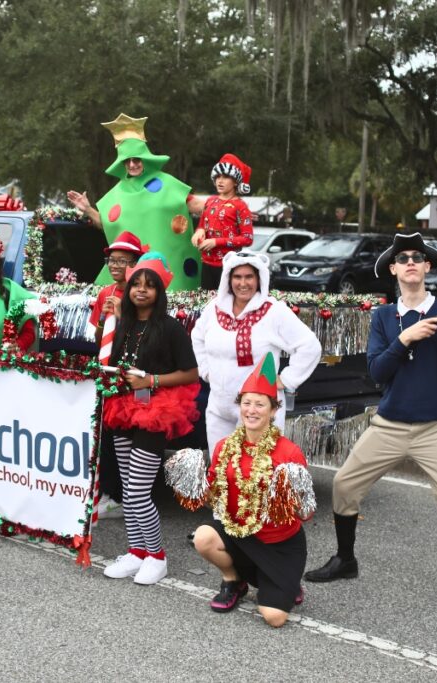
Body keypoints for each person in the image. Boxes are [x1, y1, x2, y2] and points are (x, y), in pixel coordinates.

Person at [303, 232, 437, 619]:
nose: (409, 262)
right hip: (389, 424)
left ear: (426, 267)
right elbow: (376, 371)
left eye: (417, 257)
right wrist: (403, 338)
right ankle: (345, 559)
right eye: (402, 258)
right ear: (392, 269)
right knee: (344, 485)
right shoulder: (384, 317)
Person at [187, 353, 315, 627]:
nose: (252, 410)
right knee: (203, 537)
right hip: (238, 532)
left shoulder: (289, 453)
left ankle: (286, 582)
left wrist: (288, 499)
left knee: (275, 618)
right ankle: (234, 580)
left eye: (260, 404)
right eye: (246, 403)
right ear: (239, 407)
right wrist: (195, 488)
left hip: (278, 542)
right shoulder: (224, 447)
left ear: (273, 410)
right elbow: (214, 497)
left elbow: (306, 511)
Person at [101, 253, 200, 585]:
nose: (141, 290)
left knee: (138, 491)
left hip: (156, 412)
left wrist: (151, 381)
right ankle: (136, 551)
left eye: (150, 285)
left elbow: (191, 373)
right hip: (123, 408)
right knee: (128, 486)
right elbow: (108, 360)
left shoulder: (171, 328)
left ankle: (157, 556)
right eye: (136, 284)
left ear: (160, 292)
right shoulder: (123, 324)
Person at [191, 251, 321, 449]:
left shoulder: (274, 311)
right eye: (237, 277)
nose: (243, 283)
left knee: (256, 472)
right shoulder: (213, 309)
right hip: (219, 406)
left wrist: (286, 380)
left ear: (259, 279)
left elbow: (309, 346)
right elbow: (197, 336)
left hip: (258, 409)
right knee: (220, 469)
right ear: (228, 279)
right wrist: (206, 370)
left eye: (249, 276)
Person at [66, 113, 205, 291]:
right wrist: (87, 209)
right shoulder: (116, 193)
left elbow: (194, 204)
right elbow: (107, 223)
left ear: (145, 159)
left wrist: (227, 206)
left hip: (171, 268)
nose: (132, 164)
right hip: (132, 276)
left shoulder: (167, 183)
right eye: (127, 161)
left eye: (136, 159)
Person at [88, 230, 147, 520]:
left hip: (135, 374)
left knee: (134, 434)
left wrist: (123, 316)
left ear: (135, 264)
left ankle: (131, 496)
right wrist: (103, 321)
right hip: (109, 370)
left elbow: (147, 336)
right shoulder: (105, 293)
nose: (115, 266)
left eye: (122, 261)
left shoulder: (142, 293)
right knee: (108, 434)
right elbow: (98, 337)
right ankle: (111, 492)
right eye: (112, 260)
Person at [191, 154, 255, 290]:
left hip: (229, 266)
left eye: (225, 177)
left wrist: (216, 242)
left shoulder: (241, 206)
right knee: (207, 303)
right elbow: (202, 225)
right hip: (206, 263)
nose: (220, 181)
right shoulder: (210, 201)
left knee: (226, 304)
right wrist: (199, 232)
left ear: (236, 181)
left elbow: (247, 238)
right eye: (217, 177)